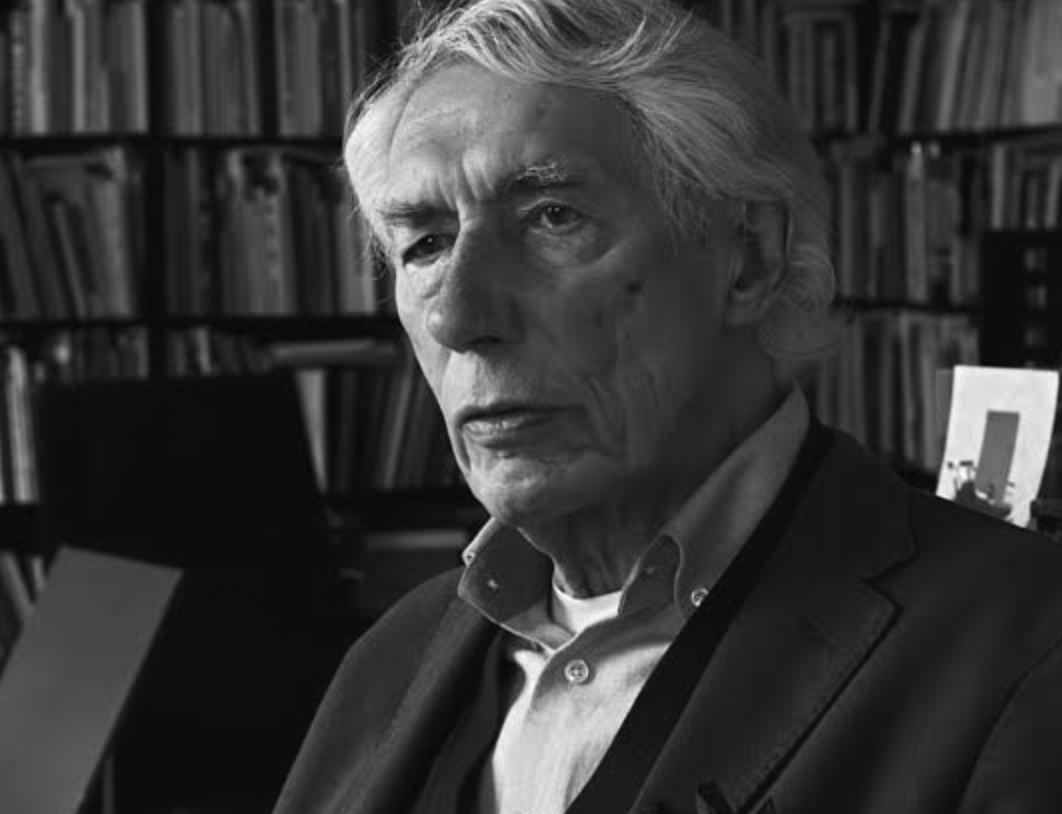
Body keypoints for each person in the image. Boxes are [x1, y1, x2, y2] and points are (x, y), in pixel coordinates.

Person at [274, 1, 1062, 812]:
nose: (458, 316)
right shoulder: (390, 660)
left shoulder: (1024, 648)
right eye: (425, 245)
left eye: (552, 218)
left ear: (749, 258)